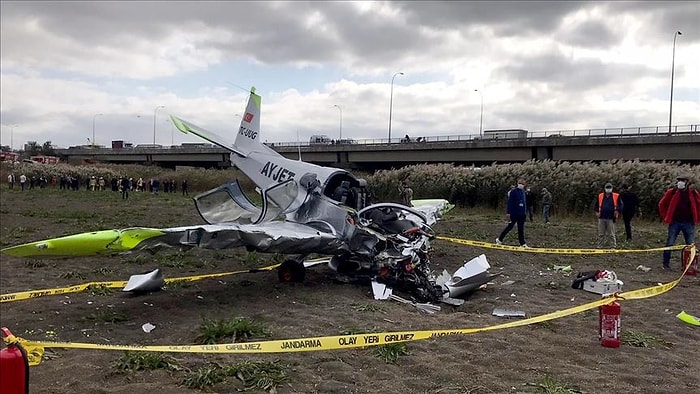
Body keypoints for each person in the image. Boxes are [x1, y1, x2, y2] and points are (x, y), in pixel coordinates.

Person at [658, 175, 700, 270]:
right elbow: (662, 204)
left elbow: (698, 204)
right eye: (679, 180)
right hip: (675, 222)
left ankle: (690, 266)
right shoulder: (672, 192)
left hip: (688, 223)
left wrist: (697, 217)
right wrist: (666, 216)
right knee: (670, 243)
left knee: (691, 245)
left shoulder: (693, 193)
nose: (680, 182)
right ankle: (666, 264)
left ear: (687, 182)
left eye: (682, 180)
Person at [496, 178, 528, 247]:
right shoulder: (513, 192)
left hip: (522, 214)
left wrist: (525, 213)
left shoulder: (523, 193)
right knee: (510, 227)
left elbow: (524, 203)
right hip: (514, 213)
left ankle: (522, 243)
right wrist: (508, 212)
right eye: (520, 183)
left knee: (521, 229)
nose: (521, 185)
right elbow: (510, 202)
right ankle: (499, 239)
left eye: (523, 184)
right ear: (517, 183)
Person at [594, 182, 622, 249]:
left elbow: (620, 205)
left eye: (610, 188)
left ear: (612, 188)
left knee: (611, 234)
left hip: (611, 217)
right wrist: (597, 212)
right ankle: (600, 246)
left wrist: (617, 211)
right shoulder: (600, 196)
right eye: (607, 188)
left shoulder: (616, 196)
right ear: (604, 188)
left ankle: (613, 246)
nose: (608, 189)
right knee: (601, 233)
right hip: (602, 217)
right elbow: (596, 205)